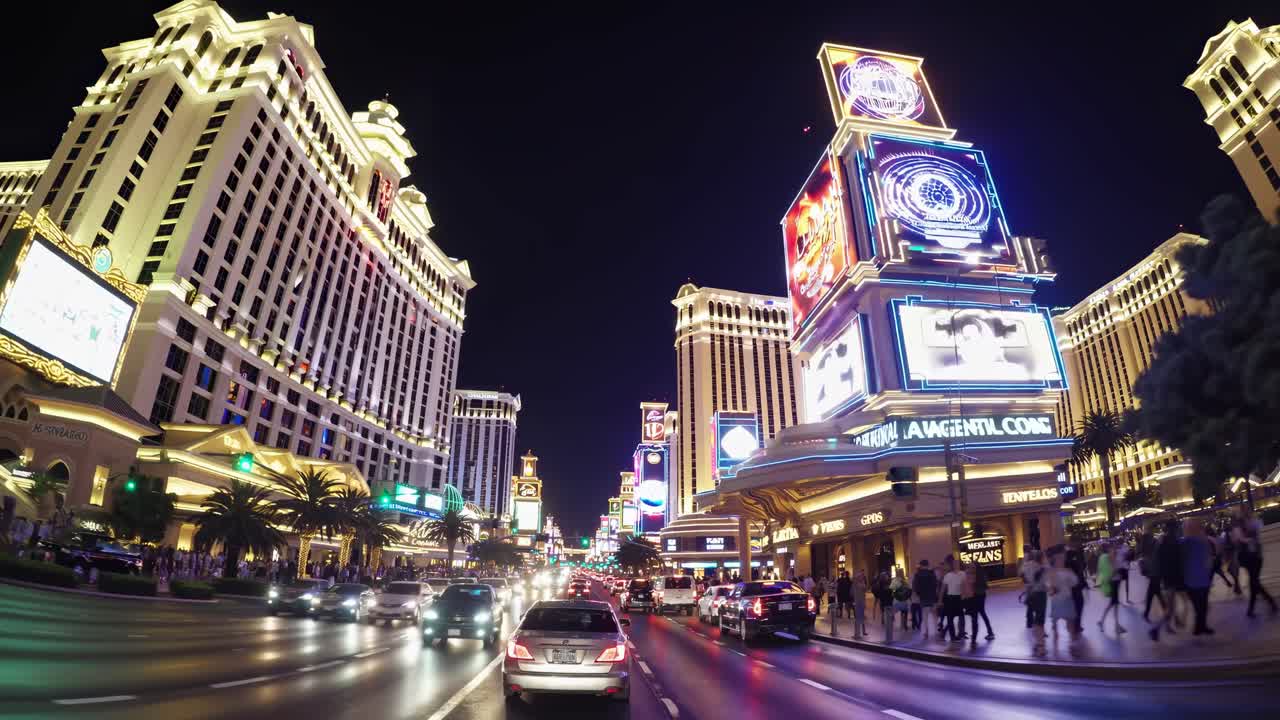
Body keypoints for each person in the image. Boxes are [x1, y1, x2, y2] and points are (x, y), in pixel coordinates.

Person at [1234, 510, 1277, 617]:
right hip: (1251, 557)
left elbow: (1241, 538)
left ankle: (1266, 604)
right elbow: (1240, 538)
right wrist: (1249, 539)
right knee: (1254, 582)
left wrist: (1248, 539)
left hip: (1253, 557)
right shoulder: (1242, 525)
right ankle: (1267, 604)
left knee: (1254, 582)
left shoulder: (1251, 523)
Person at [1182, 518, 1214, 635]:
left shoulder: (1202, 541)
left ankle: (1201, 627)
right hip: (1192, 580)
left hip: (1202, 579)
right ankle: (1199, 628)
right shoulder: (1185, 542)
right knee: (1199, 607)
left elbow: (1208, 557)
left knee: (1203, 606)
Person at [1046, 548, 1081, 640]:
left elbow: (1074, 582)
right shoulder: (1057, 572)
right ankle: (1060, 635)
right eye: (1060, 559)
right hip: (1060, 599)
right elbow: (1074, 582)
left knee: (1067, 621)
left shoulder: (1059, 571)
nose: (1062, 561)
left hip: (1064, 599)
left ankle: (1071, 641)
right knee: (1064, 620)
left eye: (1062, 559)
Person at [1021, 549, 1047, 656]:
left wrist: (1028, 586)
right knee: (1039, 620)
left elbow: (1022, 576)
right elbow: (1045, 583)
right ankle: (1040, 645)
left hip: (1031, 594)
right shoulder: (1042, 568)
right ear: (1041, 557)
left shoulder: (1027, 565)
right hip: (1040, 595)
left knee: (1037, 620)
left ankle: (1038, 642)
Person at [1096, 541, 1126, 634]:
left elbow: (1101, 571)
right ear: (1108, 549)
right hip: (1113, 582)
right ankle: (1115, 625)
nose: (1114, 549)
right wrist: (1118, 569)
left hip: (1113, 582)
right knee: (1114, 603)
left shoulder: (1104, 558)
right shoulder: (1108, 557)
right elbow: (1112, 570)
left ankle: (1104, 622)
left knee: (1113, 603)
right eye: (1112, 548)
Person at [1140, 529, 1165, 623]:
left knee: (1155, 593)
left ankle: (1147, 613)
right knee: (1155, 593)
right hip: (1156, 572)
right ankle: (1166, 610)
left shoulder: (1146, 548)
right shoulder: (1154, 545)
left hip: (1152, 573)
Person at [940, 557, 966, 641]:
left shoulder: (963, 574)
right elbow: (943, 588)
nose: (955, 565)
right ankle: (952, 636)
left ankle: (961, 633)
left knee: (961, 616)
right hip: (950, 598)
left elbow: (965, 586)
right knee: (950, 618)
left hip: (959, 597)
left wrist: (965, 596)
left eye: (957, 564)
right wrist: (940, 600)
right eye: (954, 564)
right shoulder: (948, 575)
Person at [912, 560, 937, 638]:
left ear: (921, 565)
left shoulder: (917, 574)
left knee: (924, 615)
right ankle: (936, 631)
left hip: (923, 597)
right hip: (932, 596)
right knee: (934, 614)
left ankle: (926, 632)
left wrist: (918, 594)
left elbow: (916, 586)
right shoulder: (931, 573)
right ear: (927, 565)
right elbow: (935, 584)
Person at [969, 561, 994, 640]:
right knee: (982, 613)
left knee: (976, 614)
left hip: (976, 596)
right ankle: (989, 632)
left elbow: (972, 586)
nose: (971, 568)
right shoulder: (982, 574)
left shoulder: (975, 575)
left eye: (972, 567)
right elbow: (985, 586)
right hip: (981, 595)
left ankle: (975, 635)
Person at [875, 570, 895, 642]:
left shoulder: (882, 584)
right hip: (887, 602)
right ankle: (889, 637)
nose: (887, 577)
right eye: (885, 576)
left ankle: (889, 637)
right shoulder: (884, 584)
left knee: (888, 619)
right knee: (888, 620)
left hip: (886, 602)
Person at [852, 569, 869, 638]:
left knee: (860, 617)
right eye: (860, 576)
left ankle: (861, 632)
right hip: (858, 602)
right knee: (858, 617)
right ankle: (858, 632)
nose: (862, 577)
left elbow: (864, 590)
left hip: (860, 601)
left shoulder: (861, 584)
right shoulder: (857, 584)